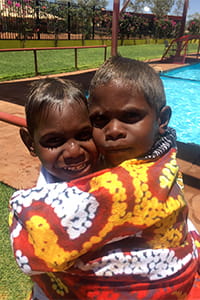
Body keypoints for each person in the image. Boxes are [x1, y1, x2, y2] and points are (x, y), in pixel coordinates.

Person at [9, 56, 200, 300]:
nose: (114, 130)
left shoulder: (158, 171)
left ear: (162, 120)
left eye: (130, 116)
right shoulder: (92, 166)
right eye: (100, 121)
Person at [19, 77, 98, 185]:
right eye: (54, 140)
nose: (74, 152)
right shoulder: (41, 200)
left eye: (84, 135)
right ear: (30, 144)